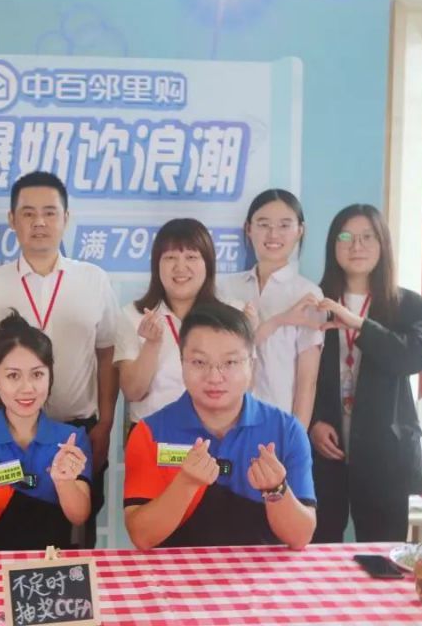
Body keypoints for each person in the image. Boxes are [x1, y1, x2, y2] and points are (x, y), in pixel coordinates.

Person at [0, 171, 120, 546]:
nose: (39, 222)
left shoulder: (94, 280)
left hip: (77, 429)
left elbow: (107, 353)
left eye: (49, 212)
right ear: (12, 219)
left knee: (77, 531)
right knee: (0, 525)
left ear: (66, 218)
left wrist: (105, 423)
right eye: (28, 213)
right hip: (8, 433)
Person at [123, 302, 316, 550]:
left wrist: (275, 489)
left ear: (251, 363)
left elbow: (300, 538)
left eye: (230, 362)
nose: (214, 377)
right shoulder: (149, 433)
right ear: (182, 363)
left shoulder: (286, 431)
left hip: (261, 572)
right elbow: (142, 537)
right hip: (178, 572)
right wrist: (186, 483)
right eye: (199, 362)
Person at [310, 204, 422, 543]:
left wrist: (360, 325)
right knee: (318, 548)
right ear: (333, 244)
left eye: (367, 237)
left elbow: (412, 358)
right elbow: (292, 371)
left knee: (382, 554)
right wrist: (312, 422)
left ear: (383, 245)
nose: (357, 246)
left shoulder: (410, 306)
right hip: (324, 449)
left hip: (385, 452)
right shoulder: (314, 300)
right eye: (346, 237)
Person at [0, 312, 91, 550]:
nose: (27, 388)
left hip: (53, 565)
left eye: (37, 374)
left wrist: (63, 481)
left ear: (50, 376)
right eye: (13, 376)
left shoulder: (71, 439)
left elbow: (79, 517)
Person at [217, 189, 323, 428]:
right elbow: (222, 355)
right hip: (226, 421)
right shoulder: (226, 289)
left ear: (300, 231)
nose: (273, 234)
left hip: (278, 422)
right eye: (263, 224)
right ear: (248, 228)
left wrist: (296, 438)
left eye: (284, 225)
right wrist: (279, 320)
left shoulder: (307, 294)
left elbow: (307, 381)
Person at [115, 218, 220, 426]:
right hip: (151, 433)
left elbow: (242, 389)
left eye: (191, 257)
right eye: (170, 257)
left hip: (211, 432)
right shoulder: (133, 315)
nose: (180, 267)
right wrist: (152, 345)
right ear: (157, 265)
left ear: (208, 264)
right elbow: (133, 392)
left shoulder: (228, 316)